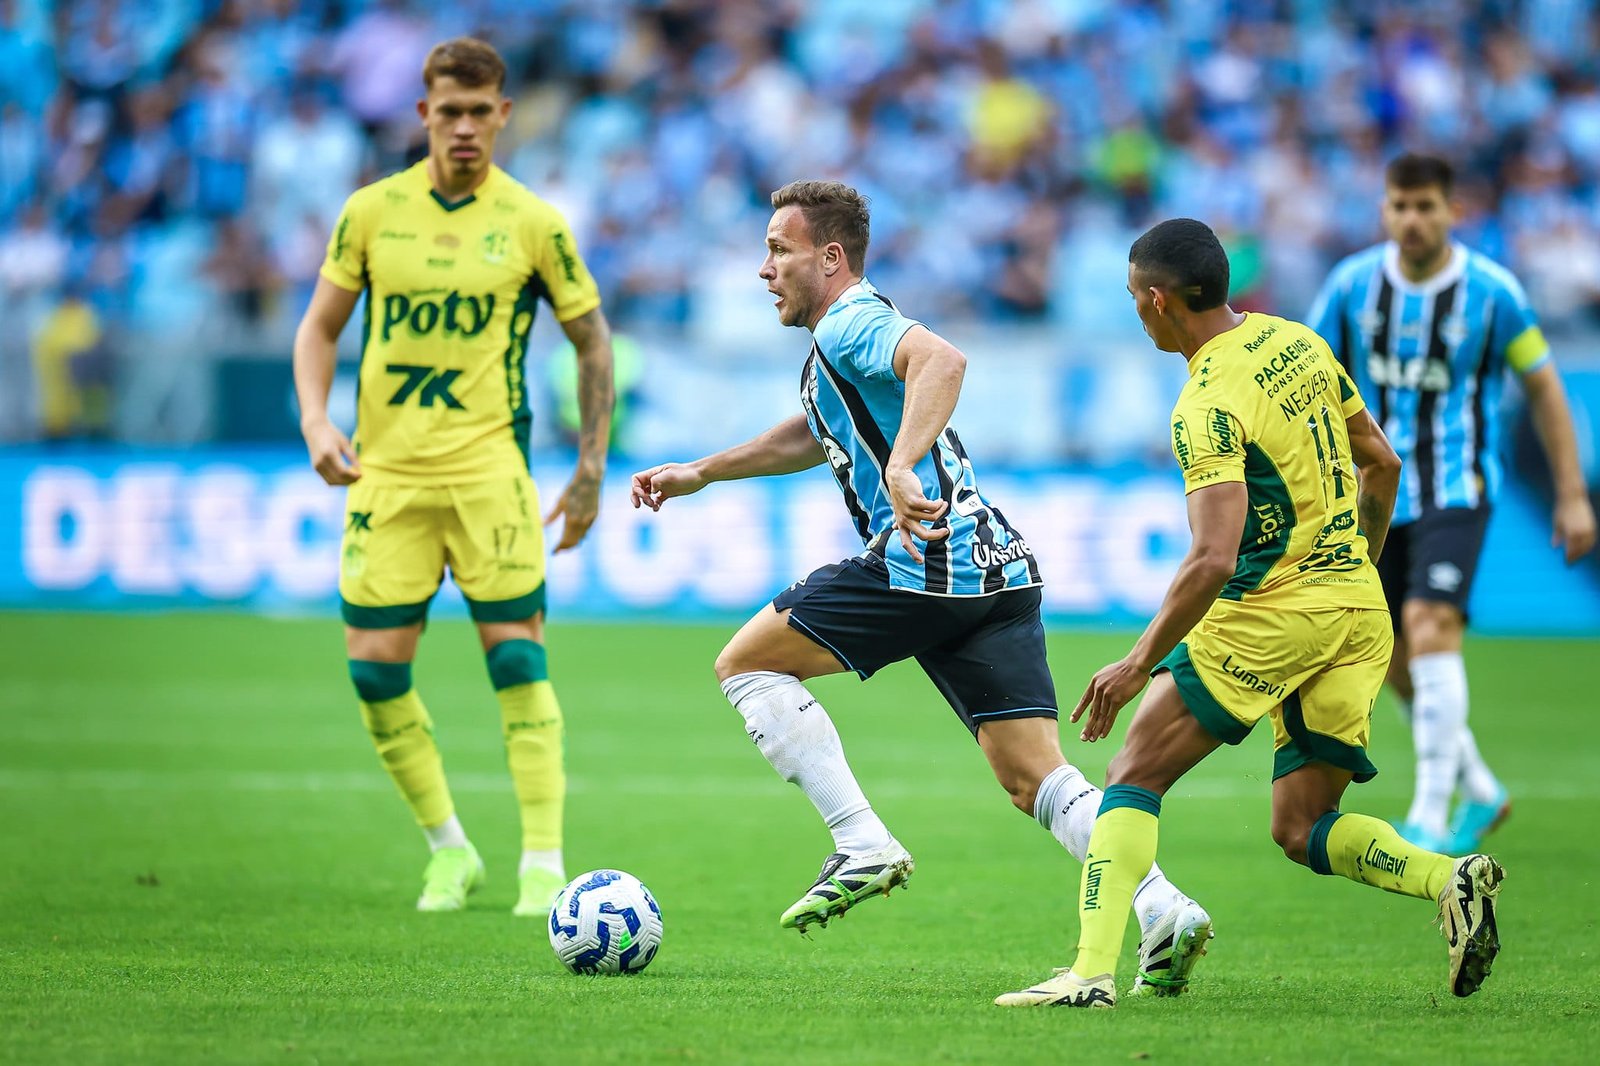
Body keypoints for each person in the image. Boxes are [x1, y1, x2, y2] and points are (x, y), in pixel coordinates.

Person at [630, 180, 1213, 997]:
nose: (765, 269)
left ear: (829, 258)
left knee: (747, 665)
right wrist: (704, 470)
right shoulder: (837, 346)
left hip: (926, 561)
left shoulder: (851, 318)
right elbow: (816, 427)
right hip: (995, 567)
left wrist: (901, 468)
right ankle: (1162, 907)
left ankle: (859, 840)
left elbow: (942, 357)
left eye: (778, 250)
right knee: (1033, 778)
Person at [996, 219, 1504, 1009]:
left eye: (1136, 298)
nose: (1136, 312)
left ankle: (1090, 973)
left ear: (1161, 301)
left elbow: (1212, 559)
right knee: (1302, 825)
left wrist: (1136, 663)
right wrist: (1356, 566)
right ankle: (1450, 878)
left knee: (1132, 774)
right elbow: (1382, 461)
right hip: (1358, 611)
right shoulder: (1295, 340)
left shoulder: (1206, 403)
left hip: (1272, 614)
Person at [292, 38, 615, 916]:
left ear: (505, 115)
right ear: (423, 114)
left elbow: (592, 343)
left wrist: (589, 472)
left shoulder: (534, 222)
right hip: (385, 477)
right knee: (373, 674)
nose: (465, 127)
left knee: (516, 660)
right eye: (450, 111)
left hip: (488, 478)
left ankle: (542, 861)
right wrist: (317, 420)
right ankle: (450, 850)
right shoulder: (370, 213)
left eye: (481, 111)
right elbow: (319, 329)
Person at [1308, 153, 1596, 854]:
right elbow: (1308, 371)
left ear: (1452, 210)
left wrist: (1572, 494)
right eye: (1399, 206)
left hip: (1456, 490)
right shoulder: (1350, 286)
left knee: (1431, 621)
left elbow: (1545, 388)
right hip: (1372, 493)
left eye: (1426, 206)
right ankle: (1482, 786)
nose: (1412, 220)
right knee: (1391, 654)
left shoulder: (1492, 293)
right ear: (1384, 210)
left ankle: (1432, 815)